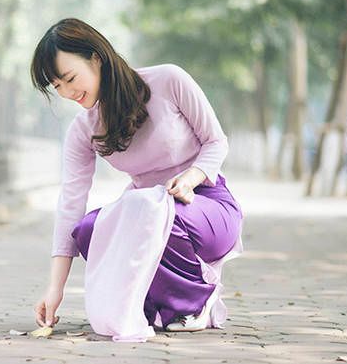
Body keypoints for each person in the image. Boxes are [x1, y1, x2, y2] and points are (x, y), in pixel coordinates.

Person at [30, 18, 243, 342]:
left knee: (152, 214)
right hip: (149, 212)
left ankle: (195, 302)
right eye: (57, 86)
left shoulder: (168, 80)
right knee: (90, 230)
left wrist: (190, 178)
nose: (68, 93)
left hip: (206, 205)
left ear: (96, 57)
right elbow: (70, 205)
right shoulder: (83, 130)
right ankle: (157, 305)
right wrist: (55, 288)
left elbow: (216, 141)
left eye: (70, 78)